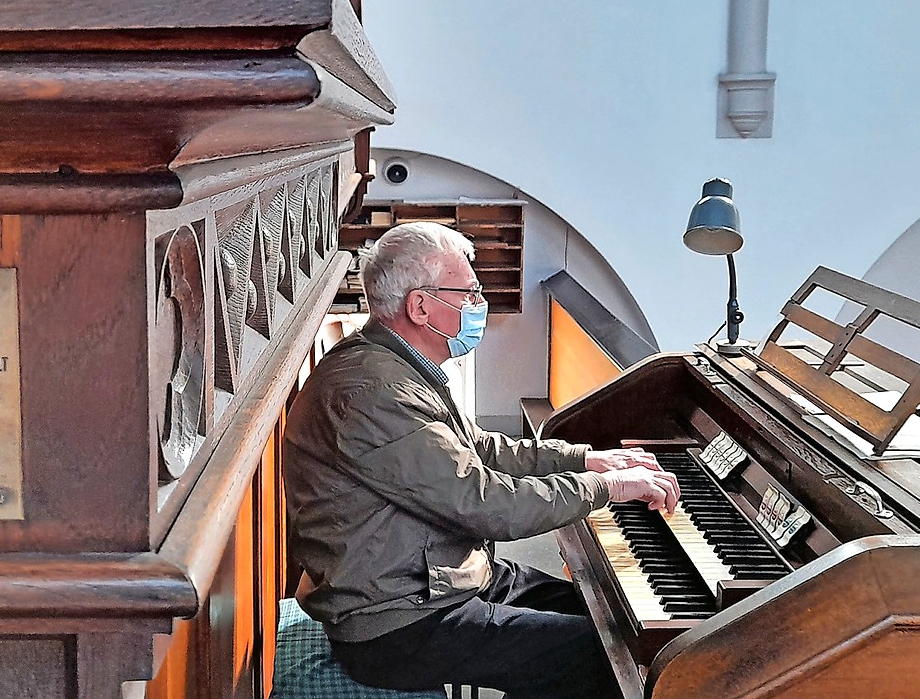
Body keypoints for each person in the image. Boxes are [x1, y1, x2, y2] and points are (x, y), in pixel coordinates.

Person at [283, 222, 679, 699]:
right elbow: (487, 504)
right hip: (399, 623)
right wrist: (607, 489)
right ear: (421, 306)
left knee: (617, 619)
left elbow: (484, 449)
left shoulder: (394, 365)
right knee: (610, 664)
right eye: (468, 292)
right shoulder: (375, 392)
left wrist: (588, 460)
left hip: (443, 580)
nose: (478, 304)